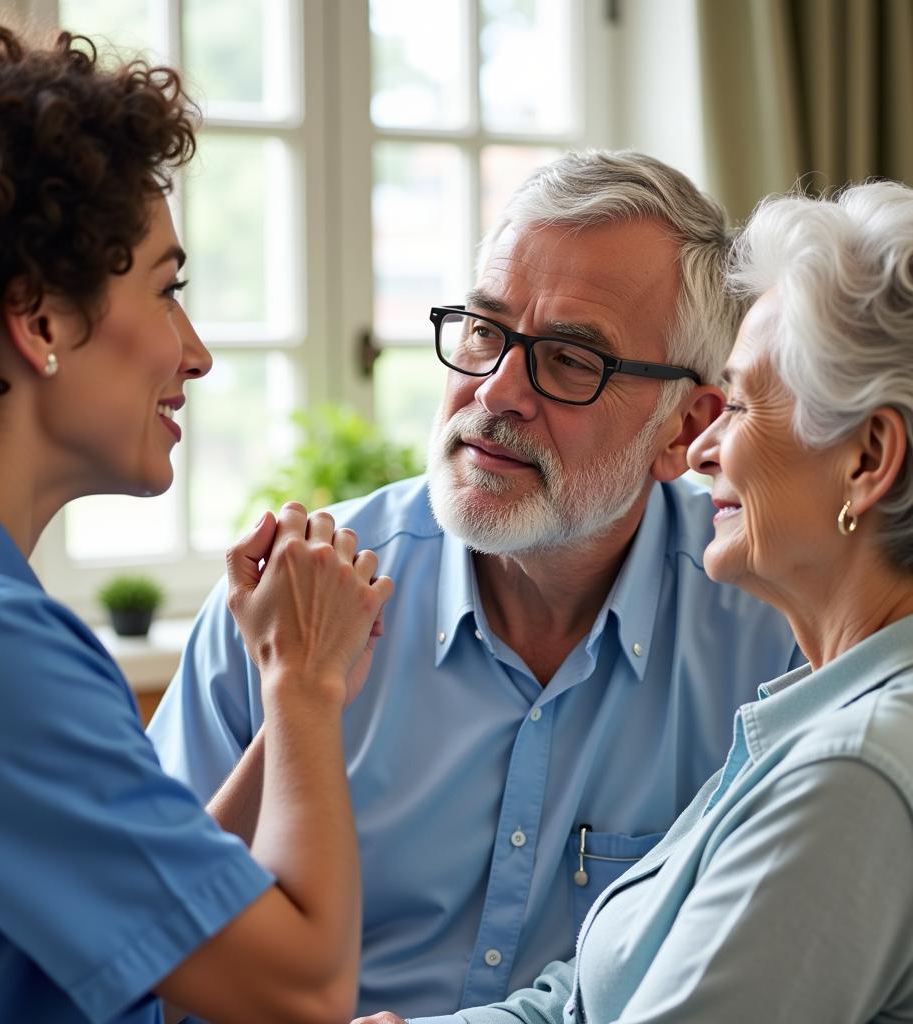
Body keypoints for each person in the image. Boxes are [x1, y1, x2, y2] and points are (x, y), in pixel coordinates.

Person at [148, 150, 803, 1018]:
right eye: (485, 331)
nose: (497, 391)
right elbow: (145, 949)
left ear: (685, 428)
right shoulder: (291, 601)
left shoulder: (770, 637)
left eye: (571, 359)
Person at [0, 24, 392, 1024]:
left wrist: (281, 713)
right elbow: (303, 987)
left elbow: (136, 916)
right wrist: (301, 684)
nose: (196, 352)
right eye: (167, 291)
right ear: (38, 322)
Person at [359, 179, 913, 1024]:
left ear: (868, 458)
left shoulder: (853, 766)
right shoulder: (804, 710)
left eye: (743, 403)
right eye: (483, 331)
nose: (709, 448)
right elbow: (585, 999)